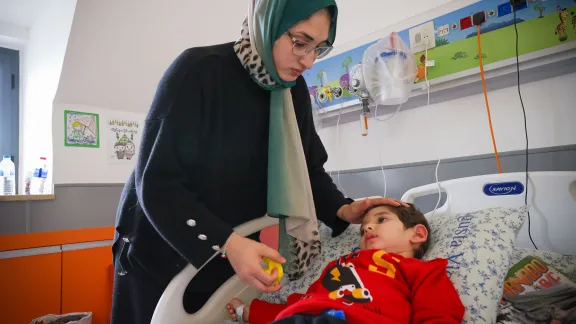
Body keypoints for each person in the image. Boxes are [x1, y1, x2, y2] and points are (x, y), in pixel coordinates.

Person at [111, 1, 408, 323]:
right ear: (267, 25)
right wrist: (228, 243)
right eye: (300, 42)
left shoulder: (291, 90)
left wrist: (341, 208)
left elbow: (307, 169)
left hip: (231, 242)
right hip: (165, 241)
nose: (308, 61)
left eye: (318, 48)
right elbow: (158, 185)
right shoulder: (199, 70)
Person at [225, 203, 465, 324]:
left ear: (417, 235)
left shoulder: (422, 270)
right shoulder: (340, 266)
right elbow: (302, 304)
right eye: (363, 229)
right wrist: (249, 312)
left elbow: (439, 313)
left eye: (381, 220)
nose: (368, 227)